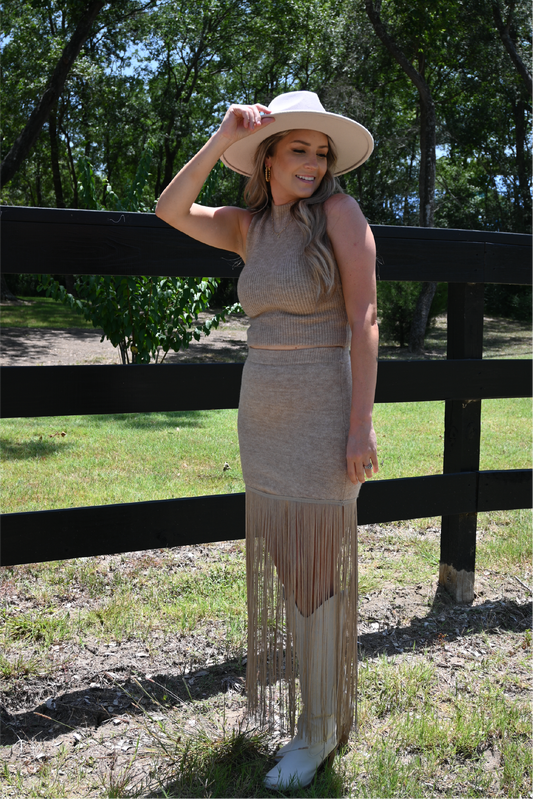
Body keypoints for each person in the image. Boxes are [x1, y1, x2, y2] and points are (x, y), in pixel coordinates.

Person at [156, 90, 378, 791]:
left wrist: (360, 424)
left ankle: (316, 729)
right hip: (262, 412)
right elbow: (168, 209)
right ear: (268, 158)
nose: (312, 164)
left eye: (320, 152)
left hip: (323, 410)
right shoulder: (248, 226)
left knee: (316, 577)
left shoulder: (338, 214)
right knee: (294, 572)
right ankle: (328, 705)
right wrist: (221, 132)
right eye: (297, 149)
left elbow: (366, 318)